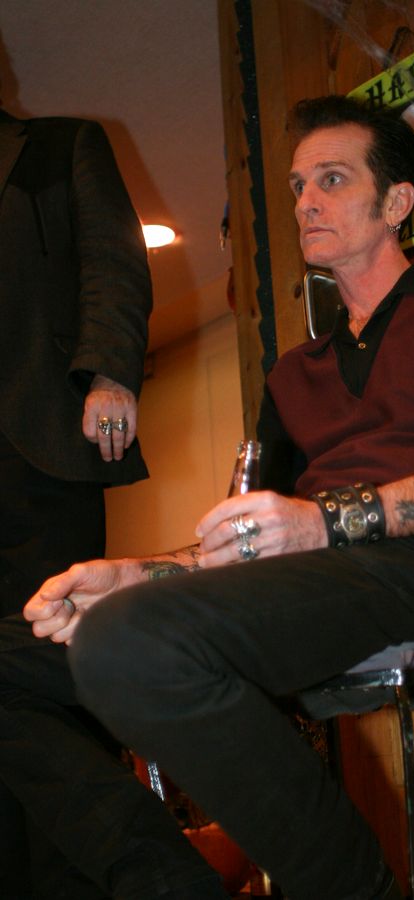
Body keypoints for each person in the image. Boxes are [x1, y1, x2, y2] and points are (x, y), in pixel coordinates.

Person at [25, 95, 414, 900]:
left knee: (127, 643)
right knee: (21, 656)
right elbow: (250, 542)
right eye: (299, 185)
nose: (305, 201)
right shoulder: (293, 374)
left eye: (332, 180)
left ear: (397, 202)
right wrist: (135, 575)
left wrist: (321, 522)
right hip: (310, 583)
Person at [0, 108, 214, 899]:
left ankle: (133, 881)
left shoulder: (62, 145)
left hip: (35, 451)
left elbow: (114, 258)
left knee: (47, 666)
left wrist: (112, 371)